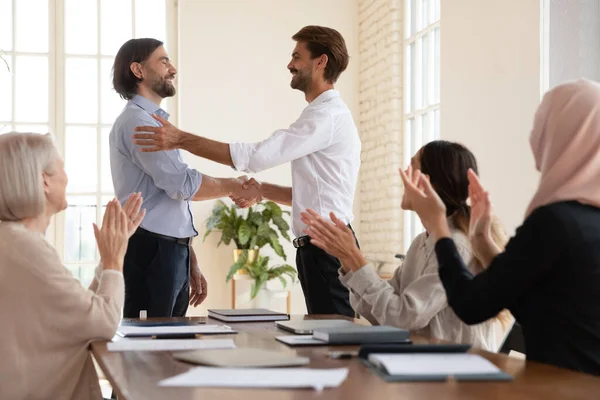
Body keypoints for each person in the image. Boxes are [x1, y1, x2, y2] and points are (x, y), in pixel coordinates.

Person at [130, 26, 361, 317]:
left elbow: (255, 156)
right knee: (328, 336)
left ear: (321, 62)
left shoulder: (327, 117)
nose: (290, 64)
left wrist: (181, 139)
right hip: (318, 249)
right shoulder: (322, 116)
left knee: (338, 339)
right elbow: (315, 195)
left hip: (327, 247)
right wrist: (260, 191)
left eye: (296, 56)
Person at [399, 79, 600, 375]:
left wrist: (439, 224)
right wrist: (481, 241)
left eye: (541, 123)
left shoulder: (554, 222)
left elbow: (471, 306)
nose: (534, 135)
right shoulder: (584, 223)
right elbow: (534, 307)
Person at [301, 141, 509, 351]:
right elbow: (380, 313)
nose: (403, 175)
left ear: (424, 182)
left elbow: (401, 318)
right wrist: (347, 260)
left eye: (411, 166)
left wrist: (356, 258)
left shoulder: (456, 246)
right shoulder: (421, 243)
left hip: (455, 375)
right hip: (424, 365)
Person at [110, 38, 258, 318]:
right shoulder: (138, 123)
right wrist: (233, 186)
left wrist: (188, 258)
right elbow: (181, 185)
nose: (173, 68)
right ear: (138, 70)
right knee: (151, 349)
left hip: (167, 250)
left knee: (170, 344)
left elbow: (168, 202)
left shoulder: (154, 122)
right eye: (163, 61)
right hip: (152, 251)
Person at [0, 132, 145, 399]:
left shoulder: (15, 242)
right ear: (44, 180)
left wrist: (107, 258)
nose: (66, 177)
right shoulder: (26, 249)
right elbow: (103, 322)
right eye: (62, 168)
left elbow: (79, 312)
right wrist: (114, 260)